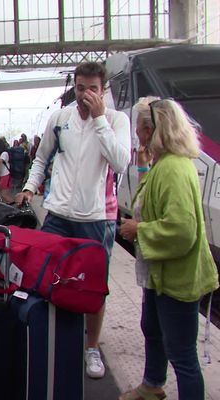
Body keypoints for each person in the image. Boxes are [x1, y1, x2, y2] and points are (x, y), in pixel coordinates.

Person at [15, 61, 131, 379]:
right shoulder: (60, 118)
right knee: (46, 276)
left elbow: (121, 161)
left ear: (103, 89)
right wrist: (29, 187)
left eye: (93, 89)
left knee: (94, 287)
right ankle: (52, 333)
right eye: (80, 88)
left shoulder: (116, 120)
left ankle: (91, 347)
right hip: (59, 214)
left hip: (98, 217)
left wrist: (98, 121)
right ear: (75, 87)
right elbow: (41, 157)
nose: (85, 95)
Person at [118, 97, 218, 400]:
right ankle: (152, 384)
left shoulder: (174, 169)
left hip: (177, 279)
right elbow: (147, 203)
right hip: (160, 274)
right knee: (153, 328)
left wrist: (138, 231)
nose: (135, 133)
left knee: (182, 354)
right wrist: (143, 168)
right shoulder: (164, 164)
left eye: (139, 126)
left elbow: (181, 230)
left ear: (152, 130)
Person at [0, 137, 13, 203]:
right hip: (2, 175)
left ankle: (15, 206)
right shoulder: (0, 154)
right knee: (3, 195)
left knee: (4, 195)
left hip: (6, 175)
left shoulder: (4, 154)